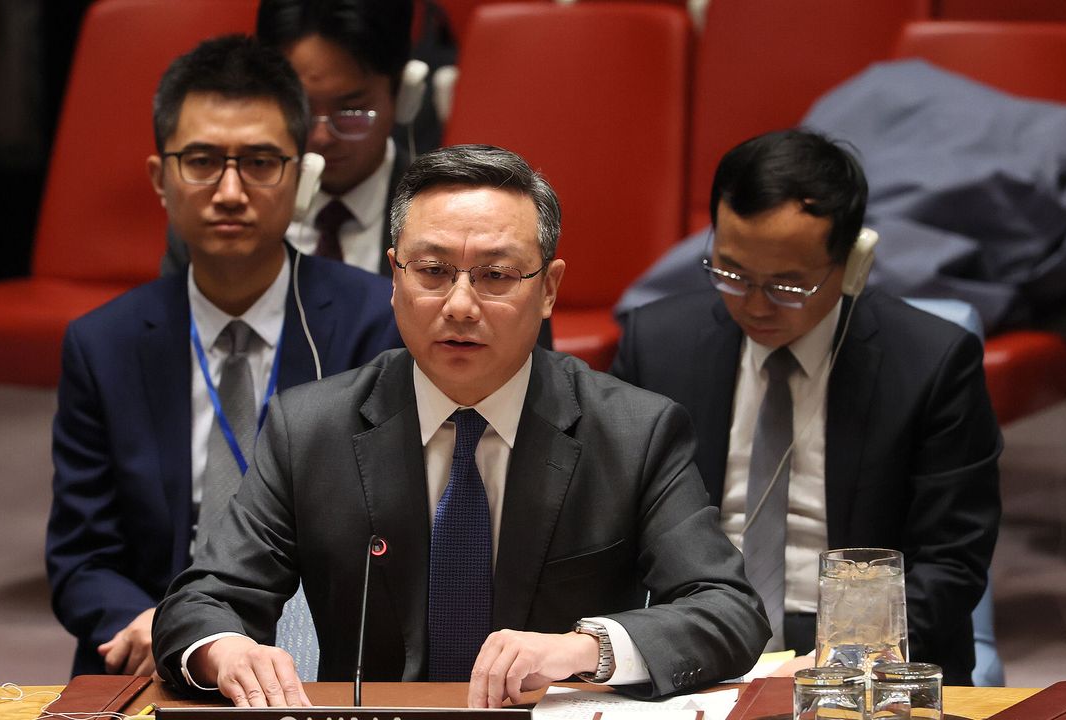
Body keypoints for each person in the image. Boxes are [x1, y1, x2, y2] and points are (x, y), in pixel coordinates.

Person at [151, 144, 770, 707]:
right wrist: (224, 651)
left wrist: (587, 649)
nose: (460, 305)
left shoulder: (633, 431)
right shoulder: (310, 429)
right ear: (395, 277)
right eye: (432, 271)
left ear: (549, 289)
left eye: (496, 276)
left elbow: (728, 610)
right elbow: (203, 601)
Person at [45, 35, 402, 677]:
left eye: (261, 162)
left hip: (312, 657)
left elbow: (394, 535)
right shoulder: (104, 344)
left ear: (301, 176)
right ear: (160, 179)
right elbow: (81, 557)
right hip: (152, 653)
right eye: (202, 161)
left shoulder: (377, 324)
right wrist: (159, 626)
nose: (231, 191)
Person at [611, 129, 1002, 685]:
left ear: (853, 265)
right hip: (694, 643)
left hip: (868, 659)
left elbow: (951, 565)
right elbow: (612, 530)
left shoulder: (933, 363)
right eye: (732, 273)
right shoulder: (656, 345)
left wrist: (840, 664)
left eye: (787, 286)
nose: (755, 305)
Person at [163, 0, 415, 277]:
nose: (321, 137)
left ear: (402, 95)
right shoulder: (217, 215)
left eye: (350, 111)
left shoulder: (439, 213)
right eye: (302, 109)